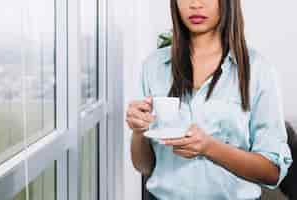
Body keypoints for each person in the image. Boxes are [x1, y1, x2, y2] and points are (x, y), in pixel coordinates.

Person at [126, 0, 293, 199]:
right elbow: (144, 166)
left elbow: (272, 172)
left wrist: (209, 147)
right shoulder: (153, 66)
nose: (195, 4)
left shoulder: (258, 70)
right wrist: (138, 132)